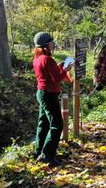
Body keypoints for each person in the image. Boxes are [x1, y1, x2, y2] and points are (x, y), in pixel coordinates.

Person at [32, 32, 73, 166]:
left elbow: (49, 74)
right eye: (51, 42)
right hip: (49, 94)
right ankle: (47, 155)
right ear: (46, 45)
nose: (53, 44)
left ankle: (38, 151)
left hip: (42, 93)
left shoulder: (37, 58)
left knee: (43, 122)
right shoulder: (47, 59)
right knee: (57, 124)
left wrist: (59, 66)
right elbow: (56, 79)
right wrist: (66, 68)